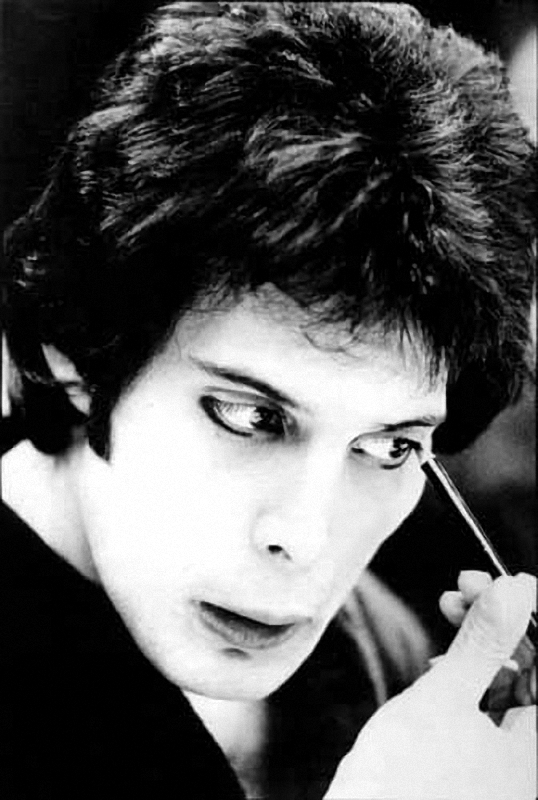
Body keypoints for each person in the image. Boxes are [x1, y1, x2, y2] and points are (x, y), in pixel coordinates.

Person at [1, 2, 535, 798]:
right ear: (78, 353)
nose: (305, 539)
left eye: (389, 447)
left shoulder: (381, 655)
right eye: (251, 418)